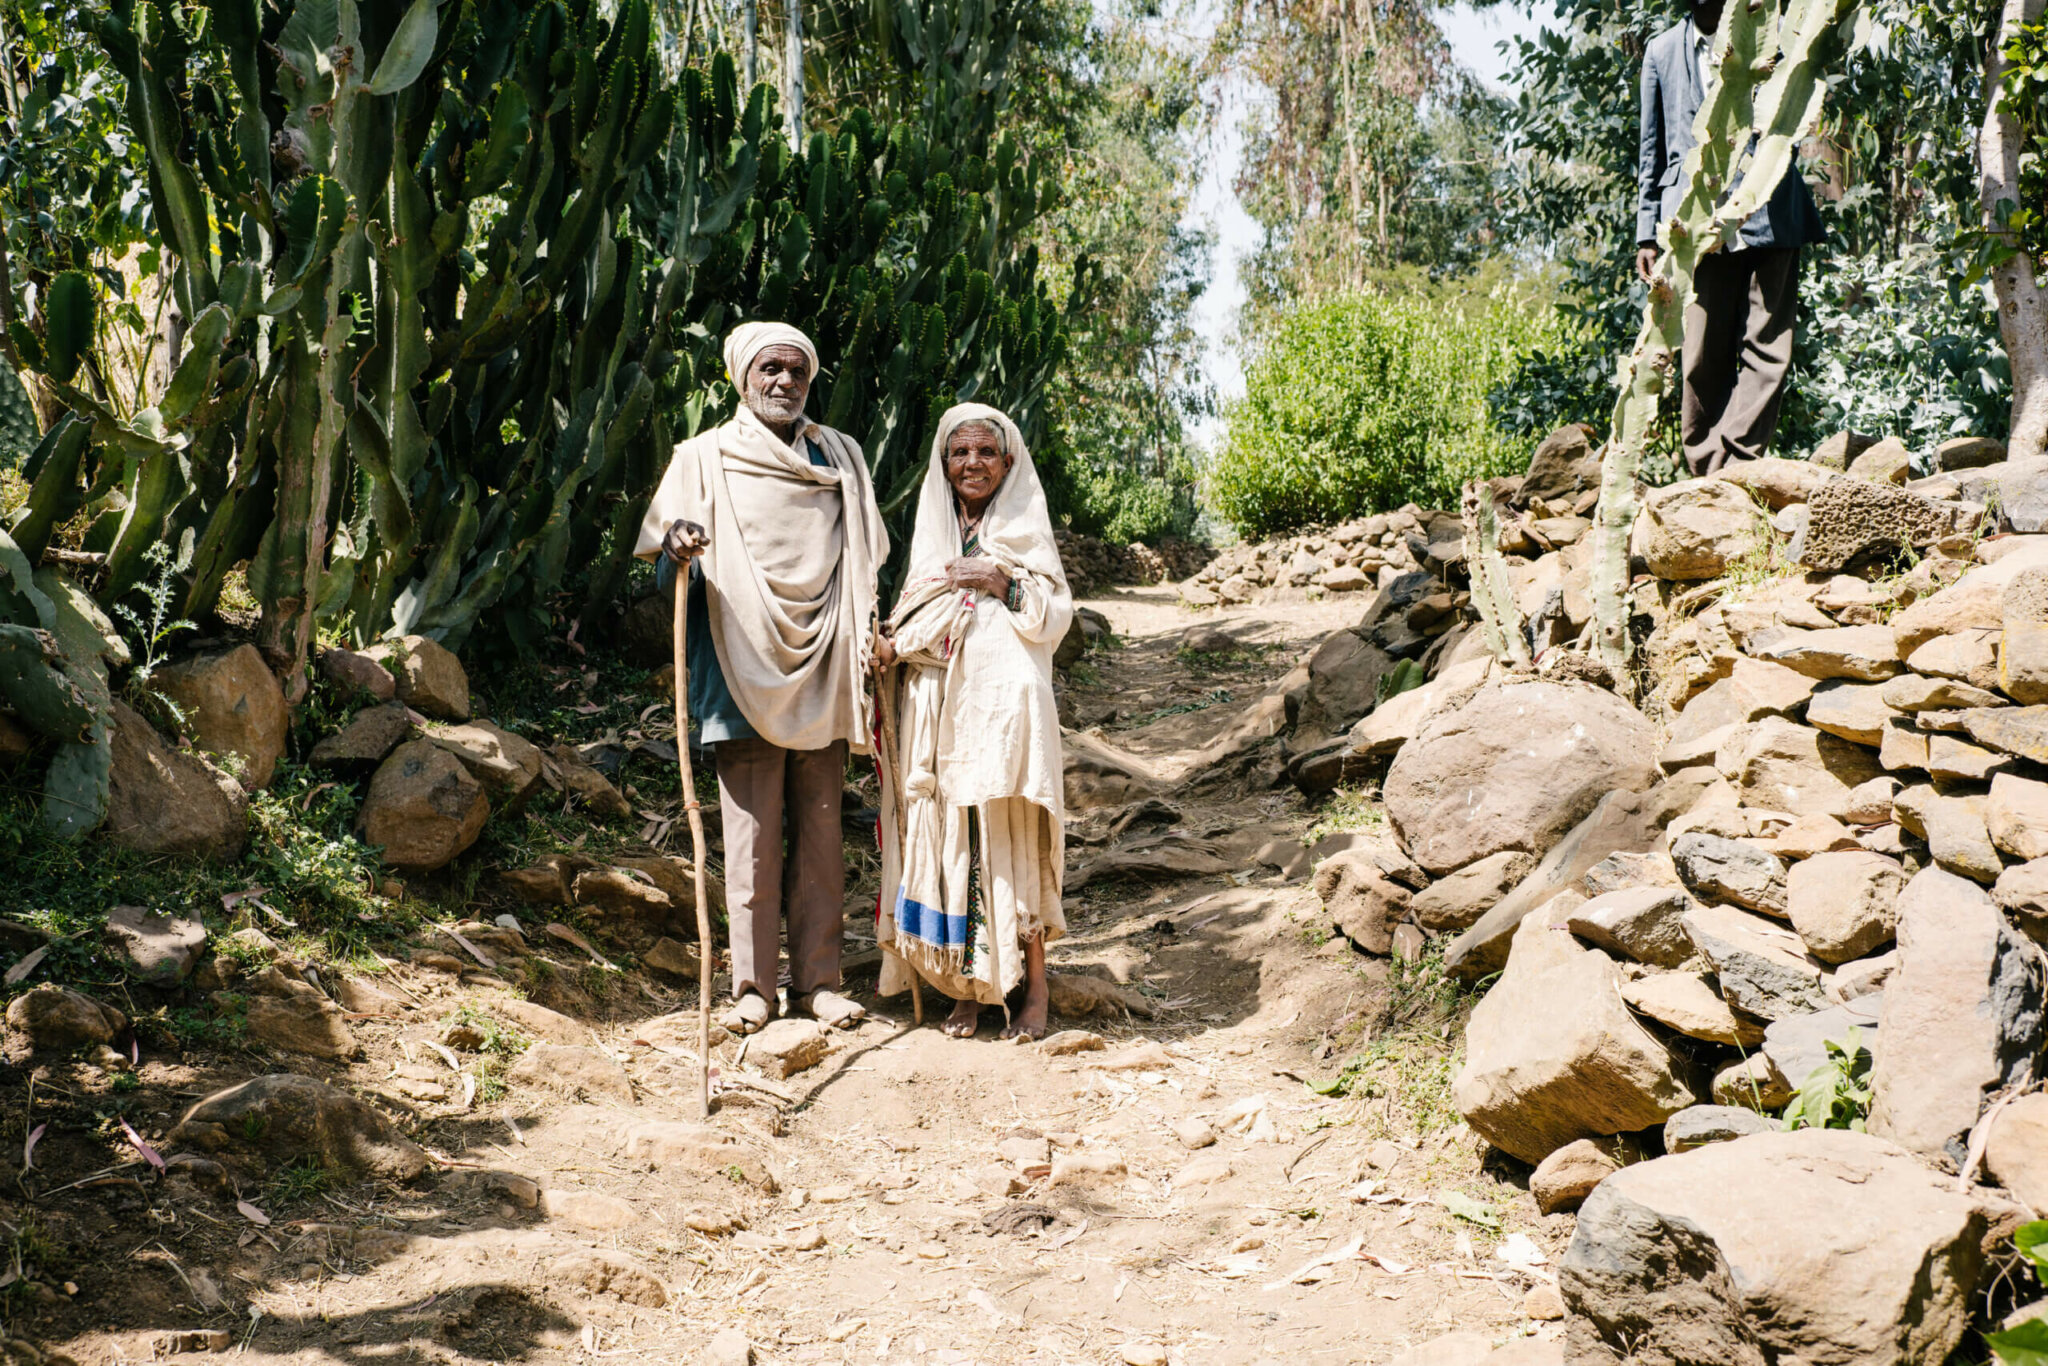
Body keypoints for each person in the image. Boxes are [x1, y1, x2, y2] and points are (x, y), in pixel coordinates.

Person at [633, 321, 889, 1034]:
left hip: (823, 667)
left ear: (810, 380)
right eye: (769, 369)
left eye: (796, 371)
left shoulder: (841, 457)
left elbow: (864, 557)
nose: (783, 382)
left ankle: (820, 983)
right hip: (738, 662)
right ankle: (752, 988)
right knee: (747, 836)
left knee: (820, 830)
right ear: (743, 378)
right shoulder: (703, 458)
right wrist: (678, 550)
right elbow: (666, 570)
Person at [873, 404, 1071, 1041]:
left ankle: (1032, 985)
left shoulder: (1022, 531)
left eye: (987, 453)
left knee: (1010, 837)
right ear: (944, 463)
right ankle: (967, 988)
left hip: (1004, 720)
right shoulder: (934, 539)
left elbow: (1051, 616)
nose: (973, 465)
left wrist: (1000, 580)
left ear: (1008, 462)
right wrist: (892, 646)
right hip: (941, 717)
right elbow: (914, 622)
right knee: (949, 841)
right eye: (960, 454)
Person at [1636, 0, 1825, 476]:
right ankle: (1705, 468)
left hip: (1770, 208)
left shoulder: (1776, 39)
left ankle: (1739, 463)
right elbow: (1651, 152)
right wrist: (1647, 233)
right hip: (1694, 217)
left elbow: (1797, 108)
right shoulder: (1660, 52)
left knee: (1769, 344)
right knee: (1700, 353)